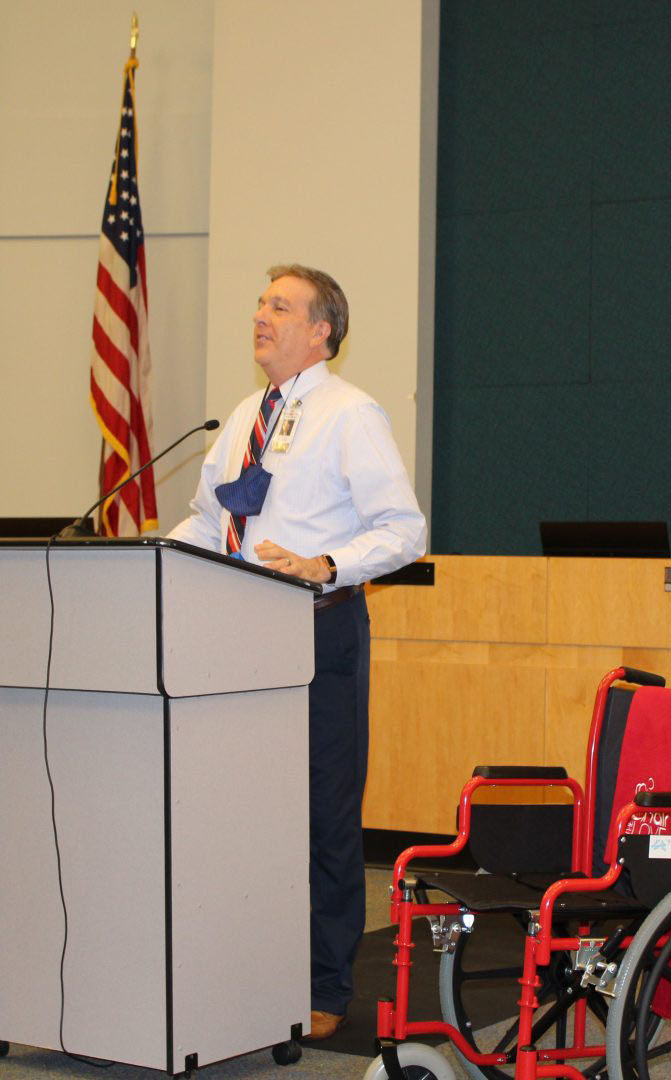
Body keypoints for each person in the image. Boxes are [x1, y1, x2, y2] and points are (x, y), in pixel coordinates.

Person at [166, 264, 426, 1040]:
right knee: (243, 813)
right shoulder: (245, 416)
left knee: (322, 817)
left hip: (318, 630)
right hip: (236, 634)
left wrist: (327, 565)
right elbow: (212, 526)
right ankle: (250, 968)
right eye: (259, 303)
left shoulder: (351, 414)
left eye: (280, 305)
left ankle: (325, 984)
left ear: (323, 331)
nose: (260, 315)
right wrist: (153, 555)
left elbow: (405, 530)